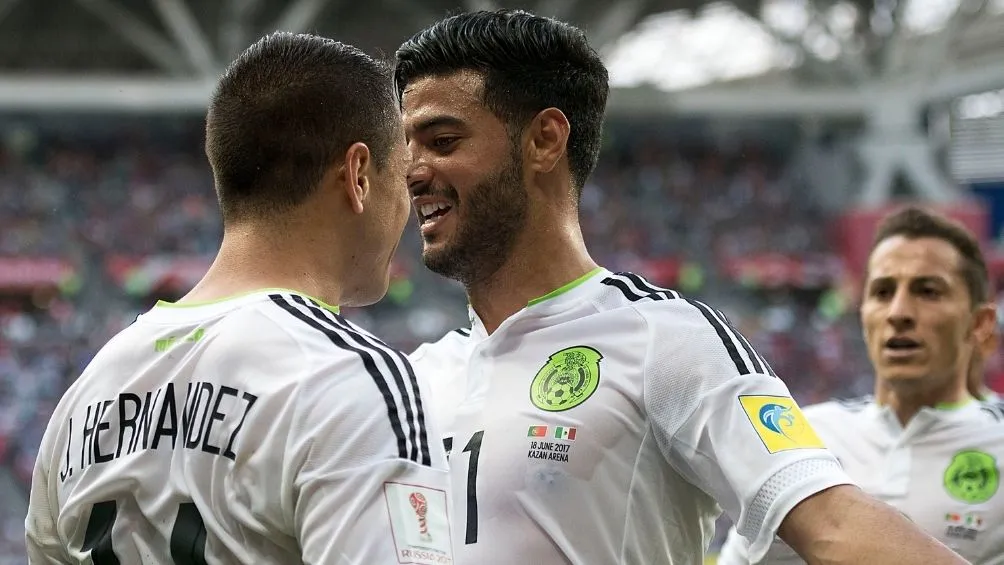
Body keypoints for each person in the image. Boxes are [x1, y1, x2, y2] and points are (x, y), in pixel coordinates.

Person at [397, 9, 966, 565]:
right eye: (407, 148)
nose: (412, 171)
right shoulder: (413, 380)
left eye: (442, 141)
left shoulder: (665, 340)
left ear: (545, 140)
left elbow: (834, 525)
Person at [26, 32, 454, 565]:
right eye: (402, 176)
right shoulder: (351, 377)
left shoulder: (85, 394)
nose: (407, 208)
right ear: (358, 175)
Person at [717, 206, 1004, 564]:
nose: (898, 312)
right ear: (863, 311)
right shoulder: (803, 436)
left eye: (928, 291)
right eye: (882, 292)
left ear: (980, 323)